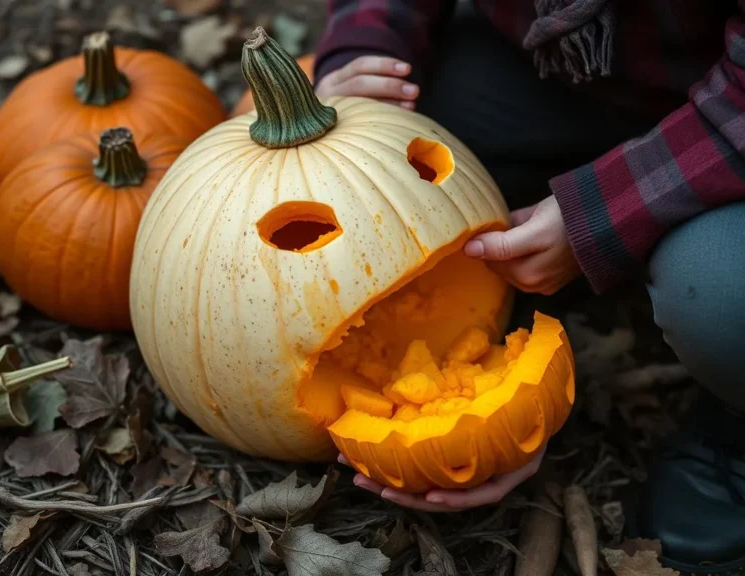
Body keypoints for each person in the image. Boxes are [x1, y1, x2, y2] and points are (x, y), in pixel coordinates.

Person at [312, 0, 745, 573]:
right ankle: (485, 320)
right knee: (415, 137)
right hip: (585, 77)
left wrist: (601, 214)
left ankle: (735, 439)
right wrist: (366, 53)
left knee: (719, 294)